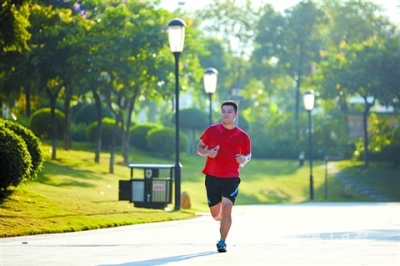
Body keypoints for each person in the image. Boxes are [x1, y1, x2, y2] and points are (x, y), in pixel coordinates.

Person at [196, 100, 252, 252]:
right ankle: (223, 220)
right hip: (212, 176)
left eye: (229, 112)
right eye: (223, 111)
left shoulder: (242, 136)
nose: (225, 114)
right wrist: (209, 152)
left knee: (227, 208)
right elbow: (199, 148)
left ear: (235, 115)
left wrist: (243, 160)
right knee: (216, 215)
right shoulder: (212, 130)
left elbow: (248, 154)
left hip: (232, 177)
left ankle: (222, 241)